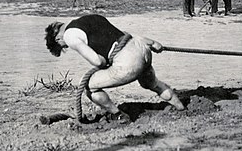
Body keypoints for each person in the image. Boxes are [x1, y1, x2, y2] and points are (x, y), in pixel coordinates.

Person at [44, 15, 185, 121]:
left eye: (63, 46)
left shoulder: (69, 35)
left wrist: (105, 64)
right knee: (152, 83)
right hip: (140, 48)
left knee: (88, 86)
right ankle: (180, 107)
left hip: (128, 62)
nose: (66, 46)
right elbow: (123, 34)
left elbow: (98, 61)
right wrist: (152, 42)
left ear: (57, 39)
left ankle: (119, 115)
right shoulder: (90, 18)